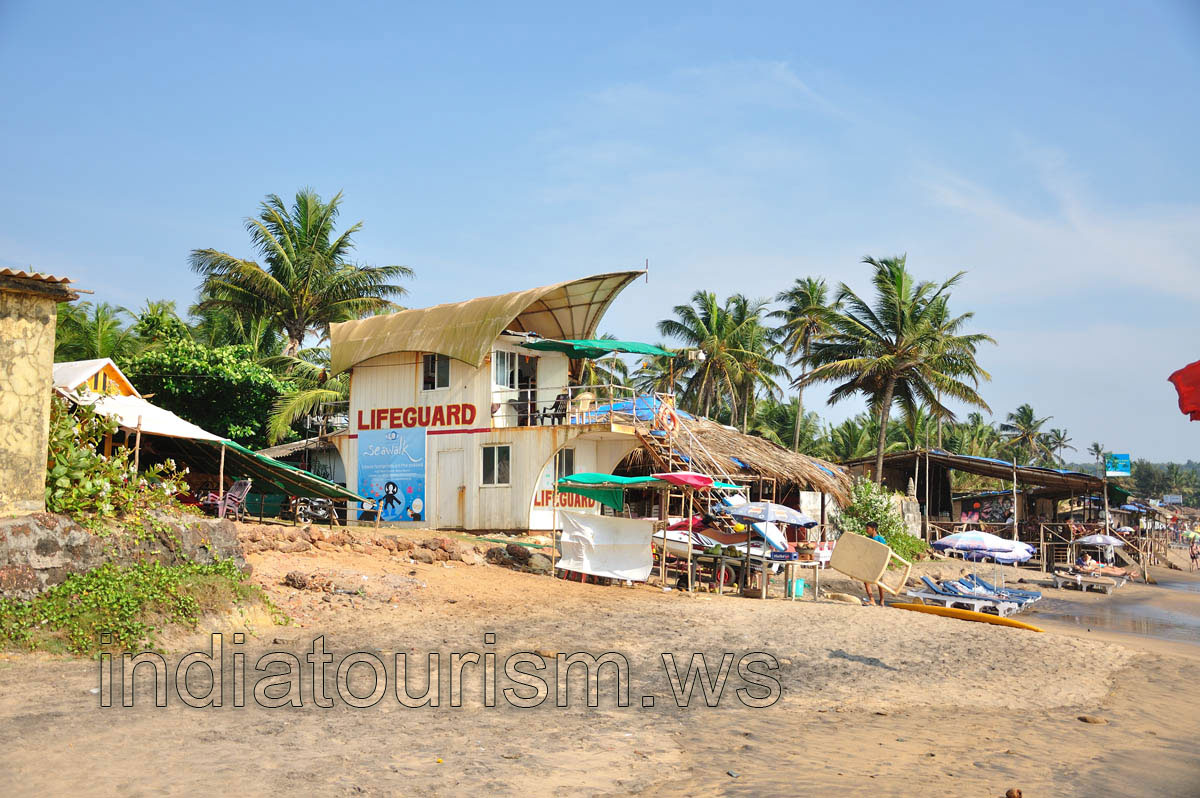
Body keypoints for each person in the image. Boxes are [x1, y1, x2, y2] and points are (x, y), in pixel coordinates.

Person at [861, 521, 889, 606]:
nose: (866, 530)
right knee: (866, 582)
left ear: (873, 529)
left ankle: (882, 600)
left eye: (868, 528)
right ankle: (872, 600)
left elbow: (885, 551)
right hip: (870, 563)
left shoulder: (880, 539)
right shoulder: (868, 538)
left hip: (878, 563)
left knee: (879, 582)